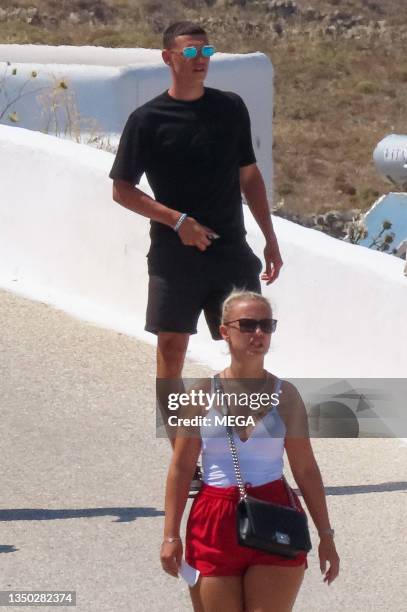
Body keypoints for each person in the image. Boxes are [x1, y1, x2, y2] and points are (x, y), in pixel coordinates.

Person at [109, 21, 283, 383]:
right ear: (168, 57)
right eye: (190, 51)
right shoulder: (147, 121)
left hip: (231, 251)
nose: (200, 59)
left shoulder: (230, 108)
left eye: (206, 51)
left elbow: (249, 176)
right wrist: (177, 221)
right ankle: (179, 439)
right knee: (172, 350)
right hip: (175, 257)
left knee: (250, 343)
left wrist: (270, 238)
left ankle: (243, 434)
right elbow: (122, 189)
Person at [161, 291, 340, 611]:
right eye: (248, 325)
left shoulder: (286, 396)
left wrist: (326, 534)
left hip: (275, 512)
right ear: (224, 331)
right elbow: (181, 468)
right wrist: (170, 535)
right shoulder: (201, 395)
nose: (258, 333)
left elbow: (306, 470)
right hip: (213, 520)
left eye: (266, 326)